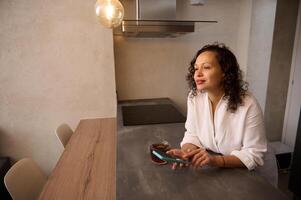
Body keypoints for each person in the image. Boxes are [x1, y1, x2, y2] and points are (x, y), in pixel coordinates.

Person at [167, 43, 267, 171]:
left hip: (251, 175)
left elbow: (254, 153)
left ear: (224, 72)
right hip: (218, 172)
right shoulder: (194, 97)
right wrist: (187, 152)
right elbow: (192, 134)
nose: (198, 74)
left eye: (206, 67)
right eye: (196, 68)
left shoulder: (248, 104)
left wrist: (216, 161)